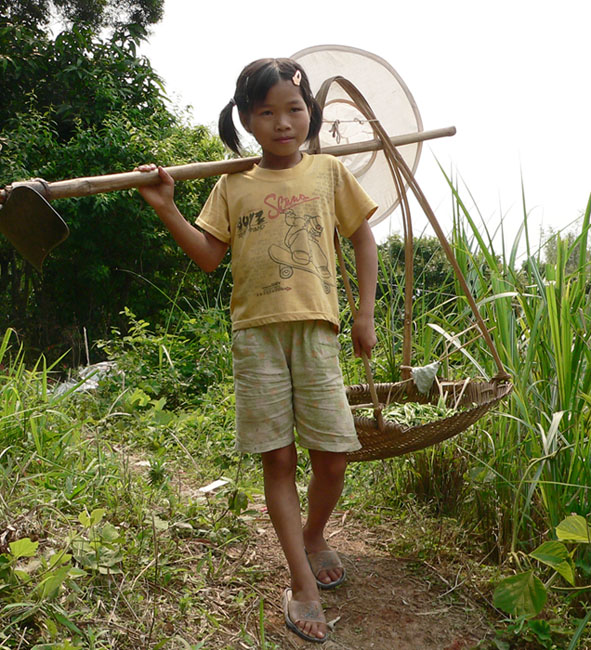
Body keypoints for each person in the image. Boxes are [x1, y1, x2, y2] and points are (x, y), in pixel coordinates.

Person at [136, 57, 378, 644]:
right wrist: (167, 205)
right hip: (257, 334)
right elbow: (208, 255)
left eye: (293, 109)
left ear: (310, 114)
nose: (282, 122)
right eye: (266, 112)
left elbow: (363, 236)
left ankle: (315, 533)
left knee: (333, 459)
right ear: (246, 119)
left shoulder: (326, 173)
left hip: (317, 330)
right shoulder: (232, 183)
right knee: (279, 460)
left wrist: (365, 314)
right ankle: (301, 582)